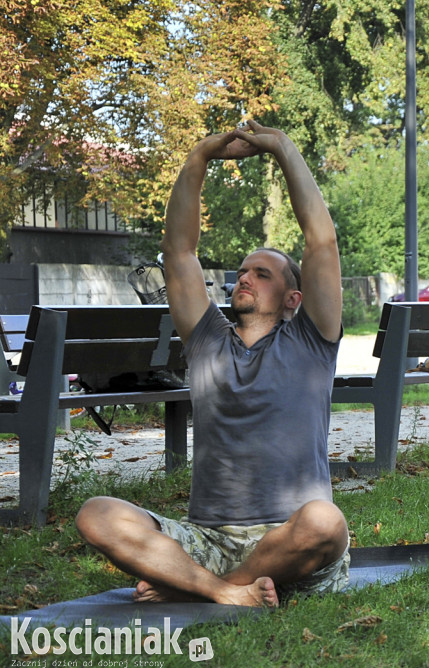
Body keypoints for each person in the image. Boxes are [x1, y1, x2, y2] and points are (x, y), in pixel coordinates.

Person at [75, 121, 349, 608]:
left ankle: (198, 586)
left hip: (289, 540)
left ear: (293, 298)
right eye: (242, 271)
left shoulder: (312, 339)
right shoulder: (207, 342)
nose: (244, 278)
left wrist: (282, 147)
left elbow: (321, 241)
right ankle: (224, 591)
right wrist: (199, 156)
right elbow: (178, 252)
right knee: (96, 514)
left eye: (261, 274)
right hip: (209, 542)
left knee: (325, 522)